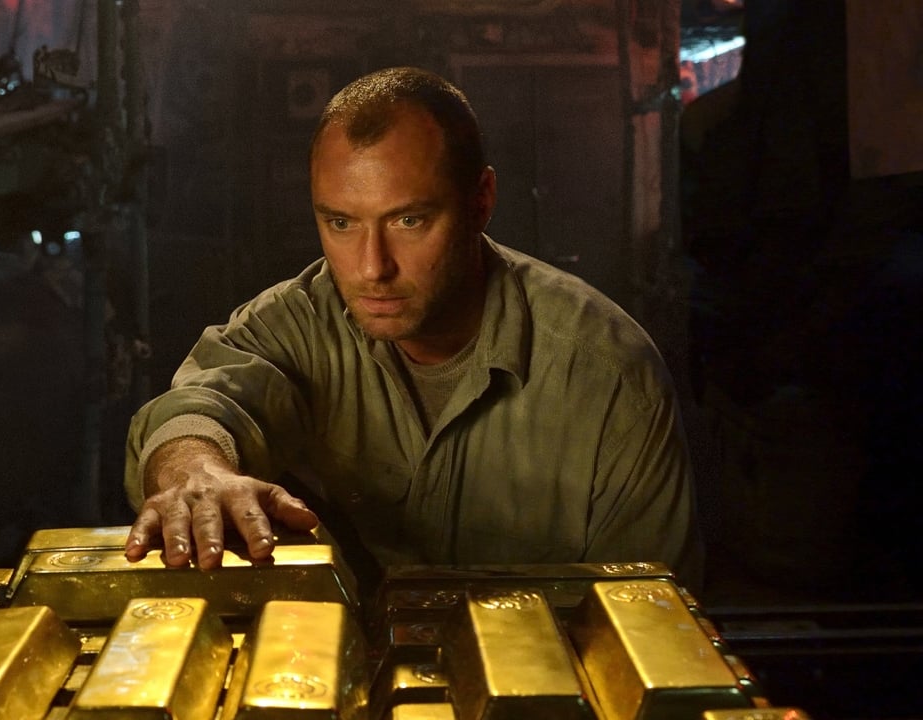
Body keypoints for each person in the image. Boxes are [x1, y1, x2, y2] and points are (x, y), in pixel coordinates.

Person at [123, 66, 702, 587]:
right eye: (341, 223)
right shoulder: (297, 322)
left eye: (409, 220)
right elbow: (202, 404)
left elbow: (650, 613)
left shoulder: (608, 375)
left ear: (481, 201)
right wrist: (196, 471)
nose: (372, 268)